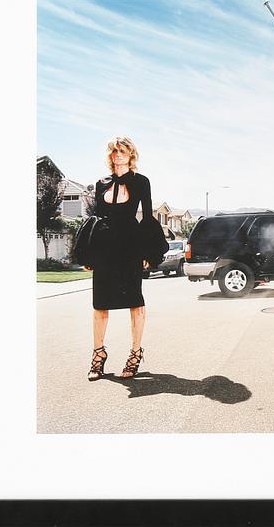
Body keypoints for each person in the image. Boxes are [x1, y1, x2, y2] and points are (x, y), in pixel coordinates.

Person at [85, 137, 166, 381]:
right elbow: (96, 220)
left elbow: (148, 219)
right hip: (105, 249)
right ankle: (98, 355)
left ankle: (135, 354)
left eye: (122, 151)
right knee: (100, 304)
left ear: (131, 155)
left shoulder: (141, 182)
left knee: (135, 302)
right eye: (114, 151)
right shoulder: (101, 184)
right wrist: (90, 252)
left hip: (130, 247)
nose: (117, 155)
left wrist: (147, 252)